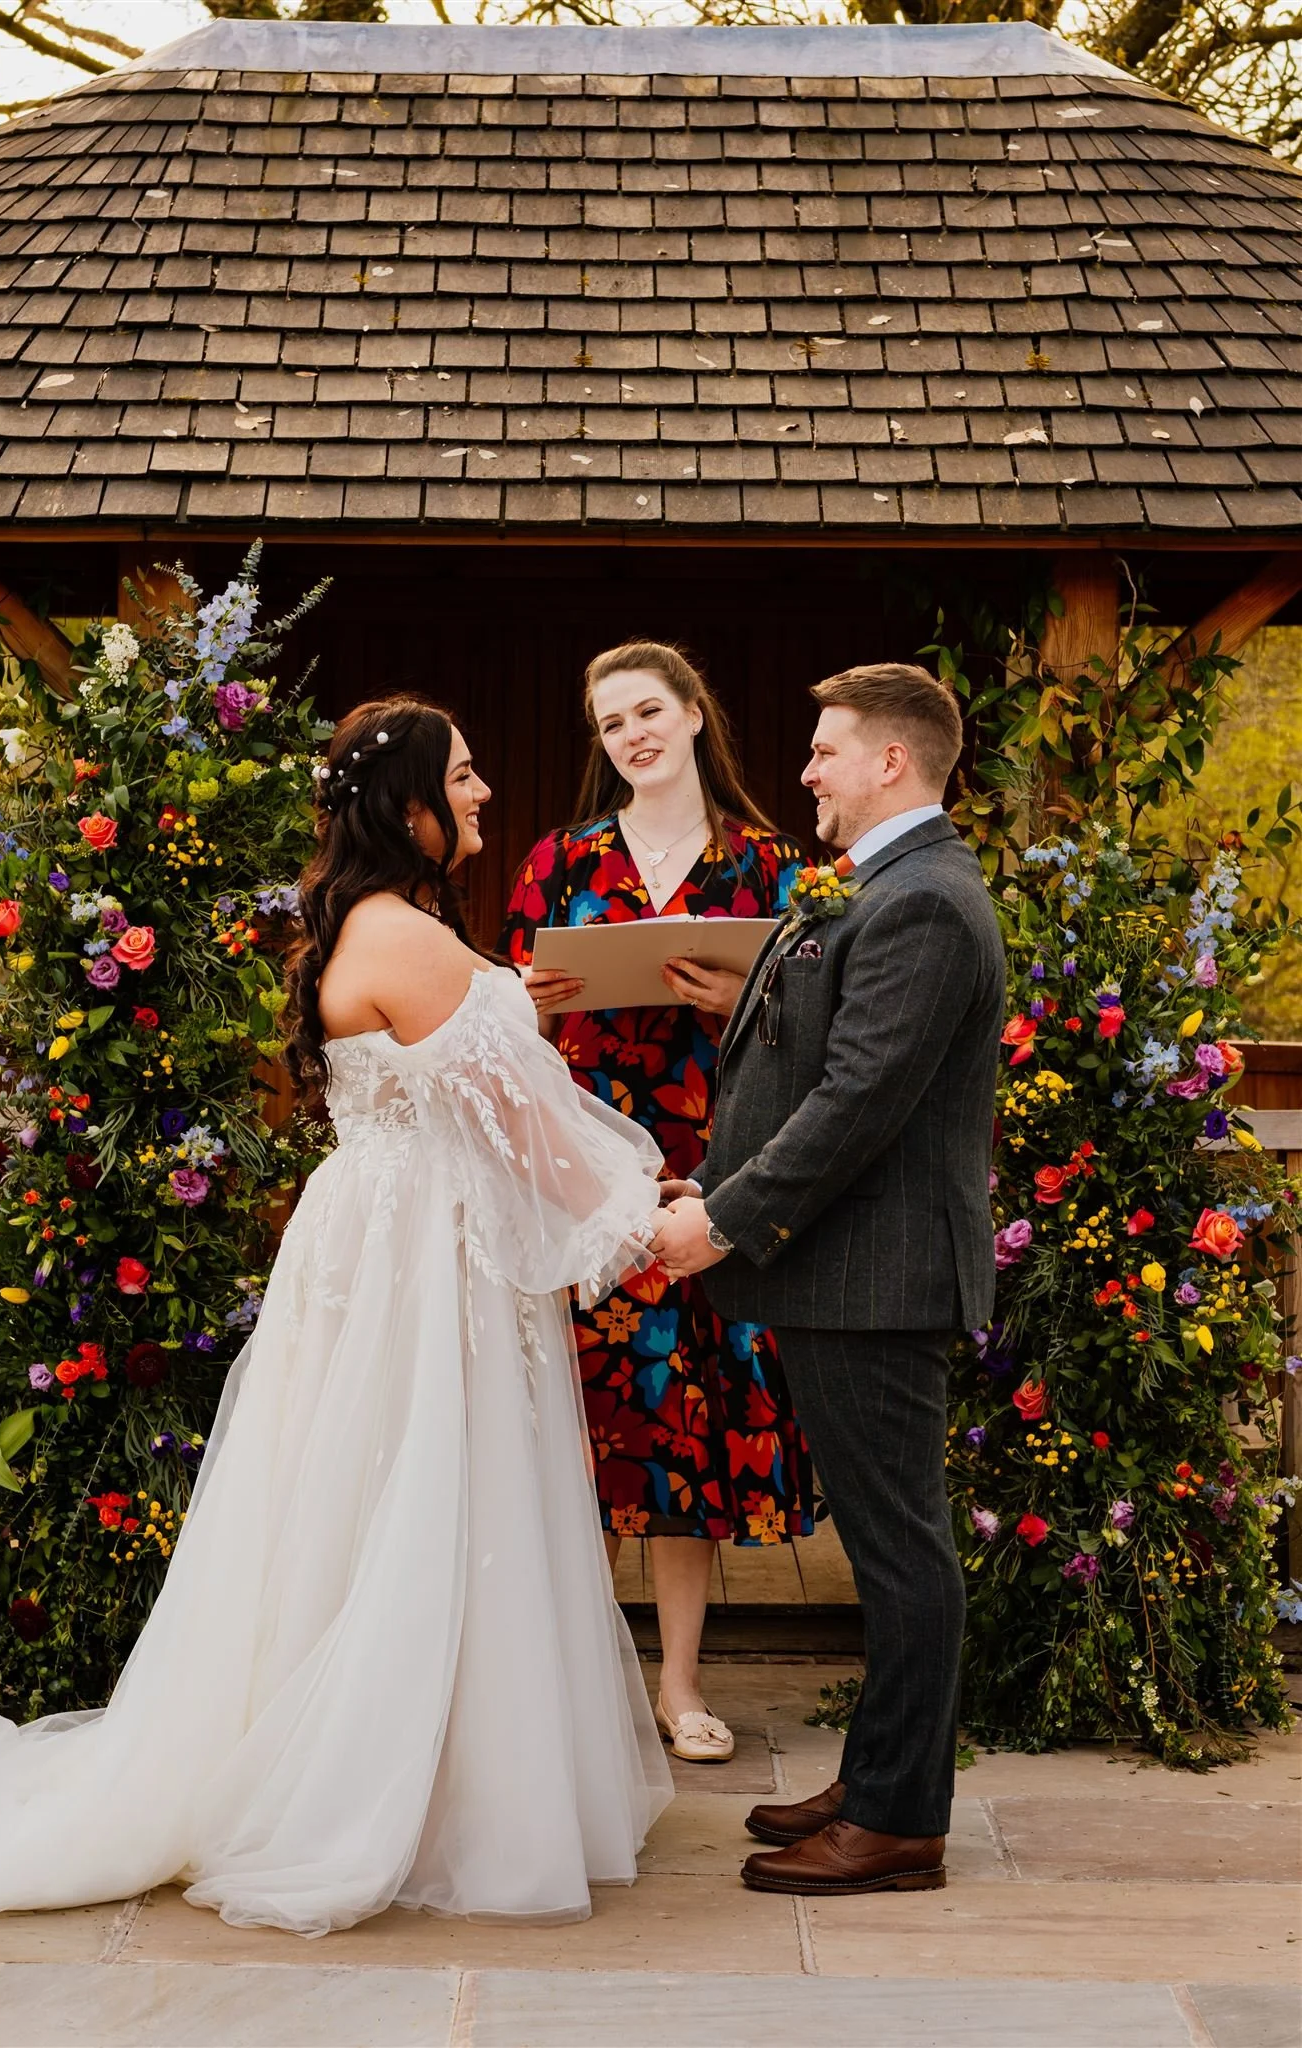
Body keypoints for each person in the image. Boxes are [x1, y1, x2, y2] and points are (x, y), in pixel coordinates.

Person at [0, 696, 672, 1936]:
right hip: (424, 1254)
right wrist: (651, 1208)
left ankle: (375, 1755)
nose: (487, 789)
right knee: (430, 1492)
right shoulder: (420, 942)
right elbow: (537, 1142)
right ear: (411, 803)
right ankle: (421, 1790)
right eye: (469, 769)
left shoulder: (372, 926)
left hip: (371, 1238)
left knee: (349, 1498)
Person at [652, 662, 1004, 1896]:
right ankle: (877, 1774)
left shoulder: (924, 903)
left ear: (893, 762)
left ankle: (902, 1820)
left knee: (903, 1550)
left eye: (825, 749)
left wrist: (726, 1223)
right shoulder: (884, 883)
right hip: (848, 1271)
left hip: (878, 1276)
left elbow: (859, 1103)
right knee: (887, 1541)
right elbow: (809, 1056)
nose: (805, 770)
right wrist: (710, 1176)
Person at [500, 640, 814, 1766]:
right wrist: (532, 1002)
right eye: (609, 721)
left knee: (685, 1434)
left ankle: (679, 1684)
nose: (631, 734)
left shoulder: (775, 868)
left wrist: (739, 1003)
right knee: (570, 1435)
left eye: (647, 710)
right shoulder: (560, 857)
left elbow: (823, 1044)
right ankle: (562, 1687)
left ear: (693, 712)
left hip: (710, 1176)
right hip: (580, 1173)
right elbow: (502, 1045)